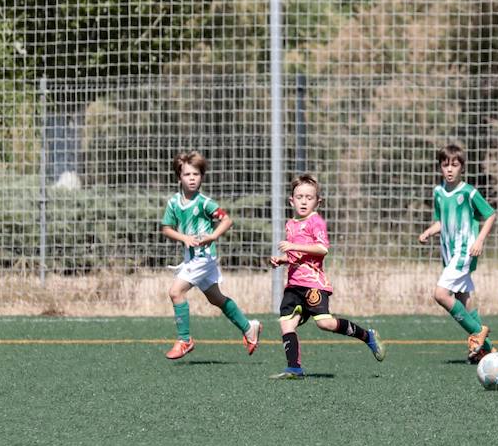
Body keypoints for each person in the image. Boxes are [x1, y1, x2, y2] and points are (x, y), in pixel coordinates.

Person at [268, 174, 385, 379]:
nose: (304, 201)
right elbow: (299, 257)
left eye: (309, 197)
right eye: (299, 197)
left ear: (317, 201)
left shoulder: (316, 222)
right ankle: (294, 368)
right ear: (291, 200)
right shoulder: (291, 224)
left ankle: (367, 336)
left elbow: (322, 249)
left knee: (325, 323)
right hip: (294, 285)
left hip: (314, 284)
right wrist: (283, 260)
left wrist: (293, 246)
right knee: (287, 323)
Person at [160, 150, 260, 360]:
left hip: (204, 257)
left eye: (196, 174)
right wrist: (184, 238)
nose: (192, 178)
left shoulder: (204, 202)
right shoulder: (173, 203)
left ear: (202, 176)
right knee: (216, 298)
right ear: (179, 176)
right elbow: (166, 228)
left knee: (175, 292)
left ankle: (184, 340)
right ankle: (248, 327)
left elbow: (227, 220)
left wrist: (212, 236)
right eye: (187, 174)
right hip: (192, 257)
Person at [415, 144, 498, 363]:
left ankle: (478, 334)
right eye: (445, 165)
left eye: (454, 165)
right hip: (449, 254)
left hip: (465, 251)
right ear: (440, 167)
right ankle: (487, 350)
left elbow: (490, 215)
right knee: (464, 300)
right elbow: (441, 222)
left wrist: (479, 240)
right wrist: (428, 232)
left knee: (440, 294)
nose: (449, 170)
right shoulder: (438, 193)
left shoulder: (468, 191)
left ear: (462, 167)